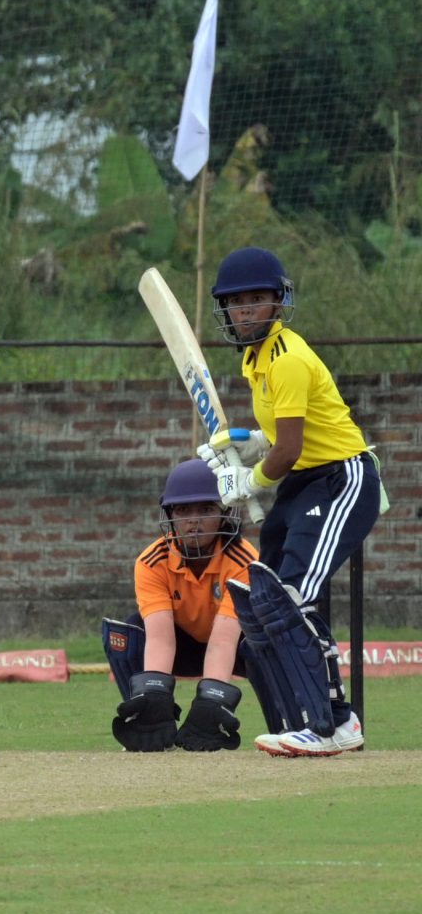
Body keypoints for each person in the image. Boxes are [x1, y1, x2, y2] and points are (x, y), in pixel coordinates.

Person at [198, 246, 376, 756]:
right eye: (236, 302)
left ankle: (335, 723)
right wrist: (255, 442)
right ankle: (305, 718)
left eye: (256, 299)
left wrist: (249, 480)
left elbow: (291, 449)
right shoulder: (256, 358)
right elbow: (285, 436)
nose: (246, 310)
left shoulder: (288, 359)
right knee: (267, 596)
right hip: (304, 481)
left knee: (295, 594)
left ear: (278, 302)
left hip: (341, 477)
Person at [101, 460, 263, 752]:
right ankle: (147, 718)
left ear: (225, 513)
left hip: (234, 648)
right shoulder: (152, 561)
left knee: (267, 643)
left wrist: (211, 701)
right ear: (170, 515)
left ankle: (288, 727)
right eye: (183, 511)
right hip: (180, 645)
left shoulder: (244, 560)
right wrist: (156, 695)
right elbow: (160, 639)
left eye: (206, 510)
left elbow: (223, 641)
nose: (193, 522)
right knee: (127, 633)